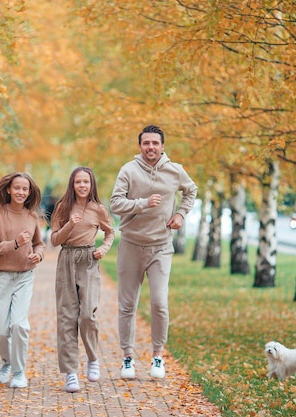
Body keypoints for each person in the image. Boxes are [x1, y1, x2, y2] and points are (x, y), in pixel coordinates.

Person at [110, 125, 197, 380]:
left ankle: (157, 356)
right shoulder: (128, 170)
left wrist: (180, 213)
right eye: (146, 143)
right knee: (127, 305)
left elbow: (191, 190)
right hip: (131, 245)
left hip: (161, 246)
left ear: (162, 146)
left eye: (155, 143)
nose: (150, 147)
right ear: (140, 146)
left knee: (159, 303)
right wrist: (143, 203)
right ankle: (127, 358)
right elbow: (116, 203)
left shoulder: (175, 170)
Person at [49, 167, 115, 393]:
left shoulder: (98, 209)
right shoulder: (62, 207)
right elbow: (55, 239)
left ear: (91, 184)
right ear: (73, 184)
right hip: (67, 259)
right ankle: (70, 373)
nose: (82, 186)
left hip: (89, 259)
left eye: (86, 181)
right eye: (78, 182)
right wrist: (70, 224)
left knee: (87, 314)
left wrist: (103, 249)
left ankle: (93, 358)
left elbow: (110, 232)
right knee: (67, 317)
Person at [0, 172, 45, 389]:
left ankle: (19, 371)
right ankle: (6, 362)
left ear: (29, 192)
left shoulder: (32, 217)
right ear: (8, 190)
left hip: (24, 276)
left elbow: (39, 244)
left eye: (25, 189)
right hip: (0, 276)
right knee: (0, 330)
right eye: (17, 188)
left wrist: (39, 254)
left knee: (18, 325)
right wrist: (14, 243)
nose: (21, 192)